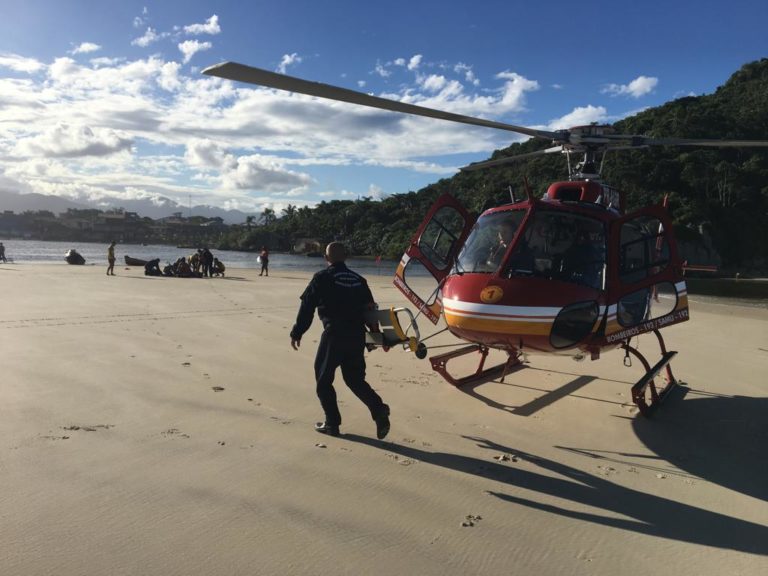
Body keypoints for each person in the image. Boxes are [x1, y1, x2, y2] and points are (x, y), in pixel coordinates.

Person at [289, 242, 390, 439]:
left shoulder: (322, 277)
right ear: (346, 257)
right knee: (355, 380)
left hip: (334, 335)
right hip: (357, 336)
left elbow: (307, 307)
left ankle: (332, 423)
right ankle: (378, 409)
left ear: (326, 258)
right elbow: (371, 311)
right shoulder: (359, 280)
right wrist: (377, 337)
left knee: (323, 381)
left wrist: (297, 332)